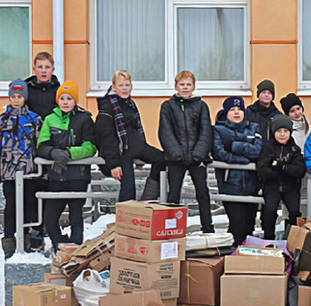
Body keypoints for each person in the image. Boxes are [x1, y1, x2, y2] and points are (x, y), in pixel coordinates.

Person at [36, 80, 96, 251]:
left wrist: (70, 153)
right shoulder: (49, 119)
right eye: (62, 98)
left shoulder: (84, 119)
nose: (65, 102)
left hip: (78, 176)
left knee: (76, 218)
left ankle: (76, 254)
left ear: (75, 100)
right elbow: (41, 145)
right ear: (57, 100)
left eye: (69, 98)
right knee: (50, 219)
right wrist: (52, 152)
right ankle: (62, 248)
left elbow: (90, 147)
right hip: (56, 176)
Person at [95, 70, 166, 202]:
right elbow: (106, 138)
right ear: (114, 87)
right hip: (120, 153)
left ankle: (148, 198)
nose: (124, 88)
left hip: (136, 147)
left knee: (162, 159)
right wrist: (113, 164)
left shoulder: (131, 104)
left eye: (127, 85)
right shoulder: (108, 108)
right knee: (128, 188)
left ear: (131, 86)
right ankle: (125, 218)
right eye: (121, 85)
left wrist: (141, 149)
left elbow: (138, 129)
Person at [158, 71, 214, 233]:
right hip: (176, 158)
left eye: (188, 84)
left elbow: (206, 131)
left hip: (198, 158)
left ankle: (208, 228)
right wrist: (176, 153)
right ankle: (170, 229)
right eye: (182, 84)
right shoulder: (167, 106)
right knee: (173, 194)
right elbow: (165, 131)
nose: (185, 87)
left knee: (203, 193)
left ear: (193, 86)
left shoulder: (201, 106)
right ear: (176, 86)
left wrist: (199, 153)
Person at [0, 79, 43, 257]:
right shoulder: (3, 120)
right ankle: (9, 243)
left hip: (29, 172)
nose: (16, 100)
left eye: (19, 96)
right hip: (8, 171)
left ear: (25, 97)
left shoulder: (34, 119)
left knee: (28, 206)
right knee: (10, 207)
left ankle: (25, 239)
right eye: (13, 96)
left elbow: (40, 144)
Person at [212, 96, 263, 246]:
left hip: (252, 186)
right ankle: (231, 259)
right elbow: (219, 153)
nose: (236, 112)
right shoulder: (218, 130)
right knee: (237, 226)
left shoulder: (254, 127)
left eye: (239, 109)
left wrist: (235, 146)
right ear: (226, 112)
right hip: (230, 186)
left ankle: (244, 261)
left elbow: (258, 151)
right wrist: (242, 160)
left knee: (249, 227)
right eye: (232, 110)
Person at [257, 114, 306, 239]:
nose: (282, 134)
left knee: (294, 212)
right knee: (270, 211)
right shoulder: (267, 148)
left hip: (291, 187)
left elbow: (300, 170)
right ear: (274, 132)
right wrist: (277, 172)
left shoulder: (294, 149)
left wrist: (282, 167)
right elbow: (262, 169)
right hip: (272, 187)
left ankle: (290, 239)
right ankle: (268, 238)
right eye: (279, 131)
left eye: (286, 131)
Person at [24, 52, 61, 119]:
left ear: (52, 70)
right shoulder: (26, 89)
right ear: (34, 69)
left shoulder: (59, 90)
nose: (43, 71)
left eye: (47, 67)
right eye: (40, 67)